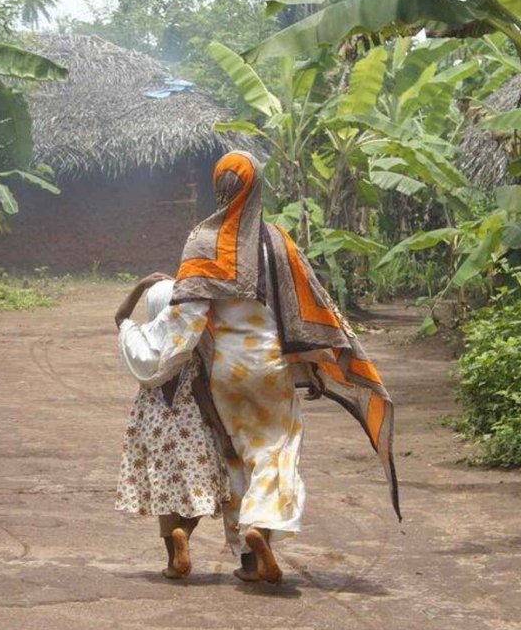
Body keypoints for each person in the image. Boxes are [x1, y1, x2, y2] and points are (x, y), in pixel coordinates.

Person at [118, 151, 399, 585]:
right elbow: (304, 309)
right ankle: (259, 529)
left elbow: (186, 320)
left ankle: (247, 559)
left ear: (220, 188)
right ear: (258, 187)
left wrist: (148, 351)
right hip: (270, 366)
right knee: (276, 452)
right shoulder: (278, 242)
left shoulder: (202, 241)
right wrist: (315, 366)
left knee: (236, 455)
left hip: (225, 371)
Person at [113, 273, 241, 579]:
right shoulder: (187, 345)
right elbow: (200, 390)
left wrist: (140, 285)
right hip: (189, 424)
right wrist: (221, 431)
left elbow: (120, 316)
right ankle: (185, 531)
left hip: (151, 425)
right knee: (203, 491)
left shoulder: (137, 341)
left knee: (163, 492)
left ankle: (173, 562)